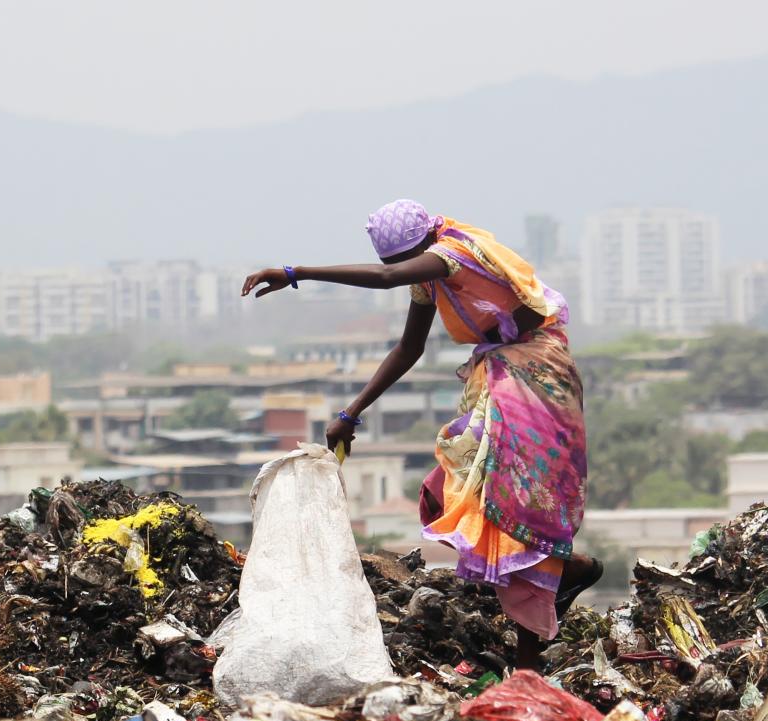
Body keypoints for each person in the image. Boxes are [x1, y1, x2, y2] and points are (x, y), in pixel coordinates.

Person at [242, 199, 601, 670]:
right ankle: (571, 572)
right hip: (500, 374)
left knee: (518, 506)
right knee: (461, 496)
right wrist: (351, 413)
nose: (406, 273)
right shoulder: (429, 280)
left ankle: (529, 666)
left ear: (421, 247)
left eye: (406, 264)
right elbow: (408, 348)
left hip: (537, 374)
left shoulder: (455, 253)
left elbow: (387, 276)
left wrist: (297, 273)